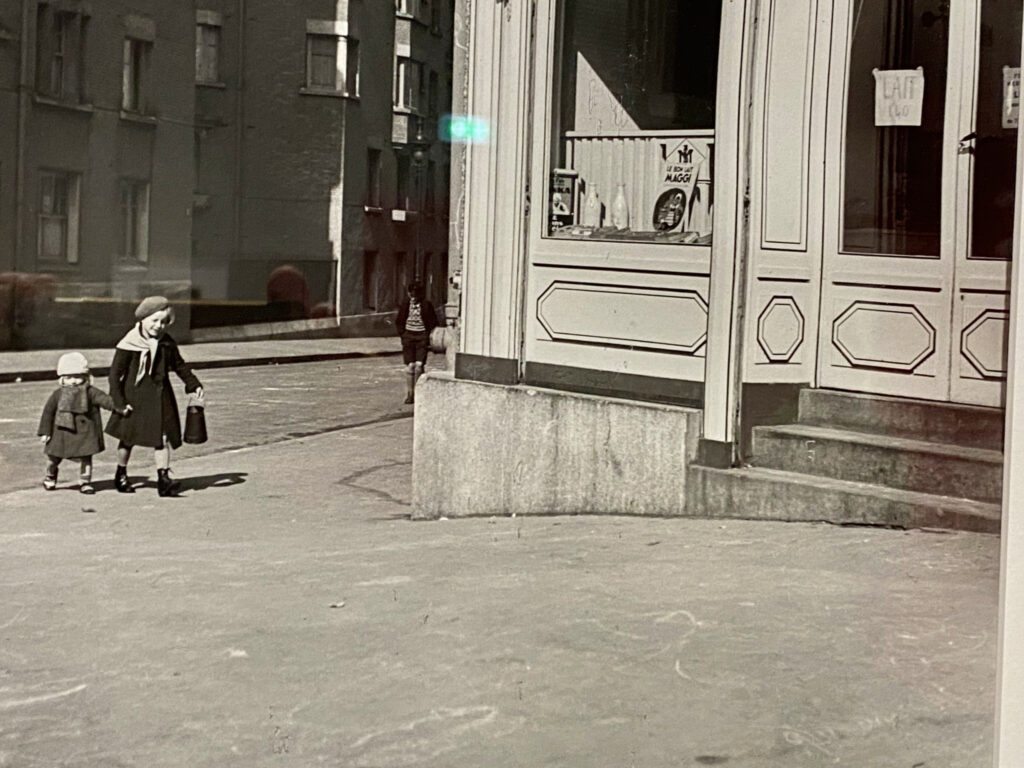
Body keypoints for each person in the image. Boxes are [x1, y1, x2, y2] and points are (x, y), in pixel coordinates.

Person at [105, 297, 204, 497]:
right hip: (134, 397)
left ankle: (163, 479)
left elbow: (179, 365)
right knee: (128, 437)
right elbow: (115, 375)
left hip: (160, 397)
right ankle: (121, 474)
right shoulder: (128, 343)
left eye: (164, 322)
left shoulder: (166, 342)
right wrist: (119, 402)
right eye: (154, 321)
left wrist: (192, 383)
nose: (159, 326)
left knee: (162, 437)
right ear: (142, 318)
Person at [37, 352, 130, 494]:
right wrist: (45, 432)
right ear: (62, 379)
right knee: (52, 458)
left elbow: (106, 400)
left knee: (86, 459)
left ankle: (85, 482)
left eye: (77, 377)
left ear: (85, 377)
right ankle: (50, 476)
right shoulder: (58, 394)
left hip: (84, 433)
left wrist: (120, 407)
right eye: (68, 378)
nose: (73, 381)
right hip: (60, 432)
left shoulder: (90, 392)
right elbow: (48, 412)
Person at [395, 281, 438, 404]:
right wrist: (403, 334)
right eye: (411, 295)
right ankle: (410, 393)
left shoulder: (426, 305)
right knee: (410, 367)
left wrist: (428, 335)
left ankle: (419, 392)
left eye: (415, 295)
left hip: (421, 337)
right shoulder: (405, 305)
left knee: (419, 366)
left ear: (420, 295)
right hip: (408, 336)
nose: (413, 298)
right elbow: (399, 321)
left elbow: (433, 321)